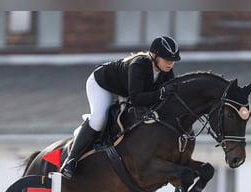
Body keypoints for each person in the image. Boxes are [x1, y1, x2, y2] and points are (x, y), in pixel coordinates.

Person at [60, 35, 181, 179]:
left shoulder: (166, 72)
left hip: (124, 91)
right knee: (99, 120)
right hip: (102, 84)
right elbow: (137, 98)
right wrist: (160, 94)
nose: (170, 64)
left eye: (173, 61)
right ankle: (70, 160)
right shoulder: (139, 65)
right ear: (154, 56)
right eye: (167, 60)